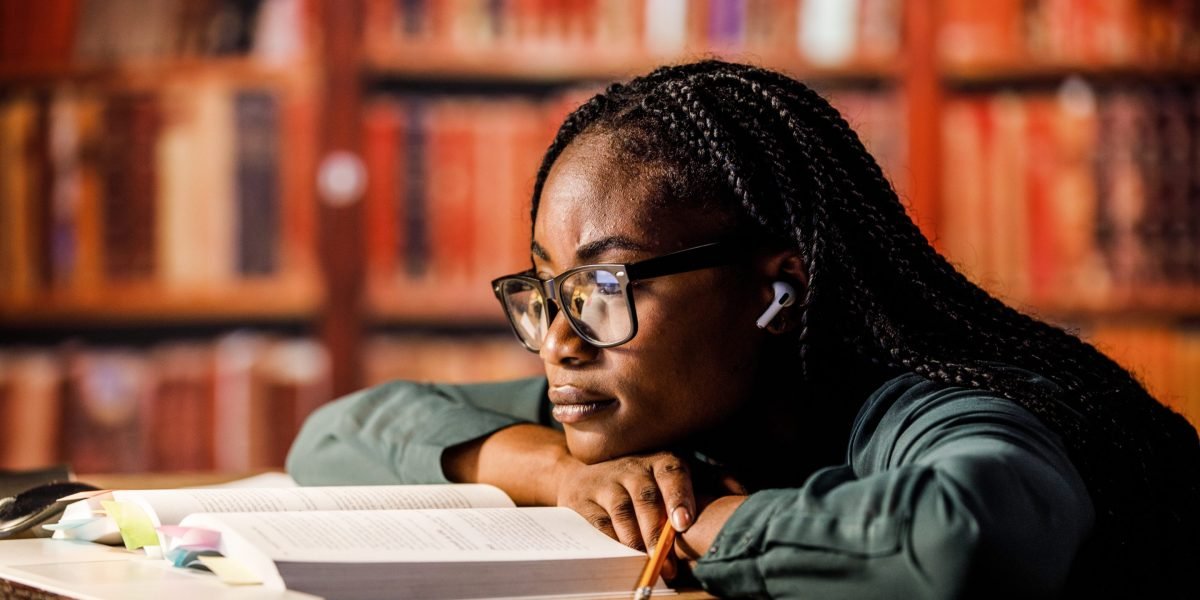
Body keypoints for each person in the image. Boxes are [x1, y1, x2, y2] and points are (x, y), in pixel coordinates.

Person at [287, 60, 1200, 598]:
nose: (560, 341)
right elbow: (335, 436)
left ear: (778, 293)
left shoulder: (933, 409)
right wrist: (560, 473)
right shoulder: (657, 411)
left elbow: (958, 536)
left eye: (604, 284)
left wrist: (697, 525)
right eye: (547, 290)